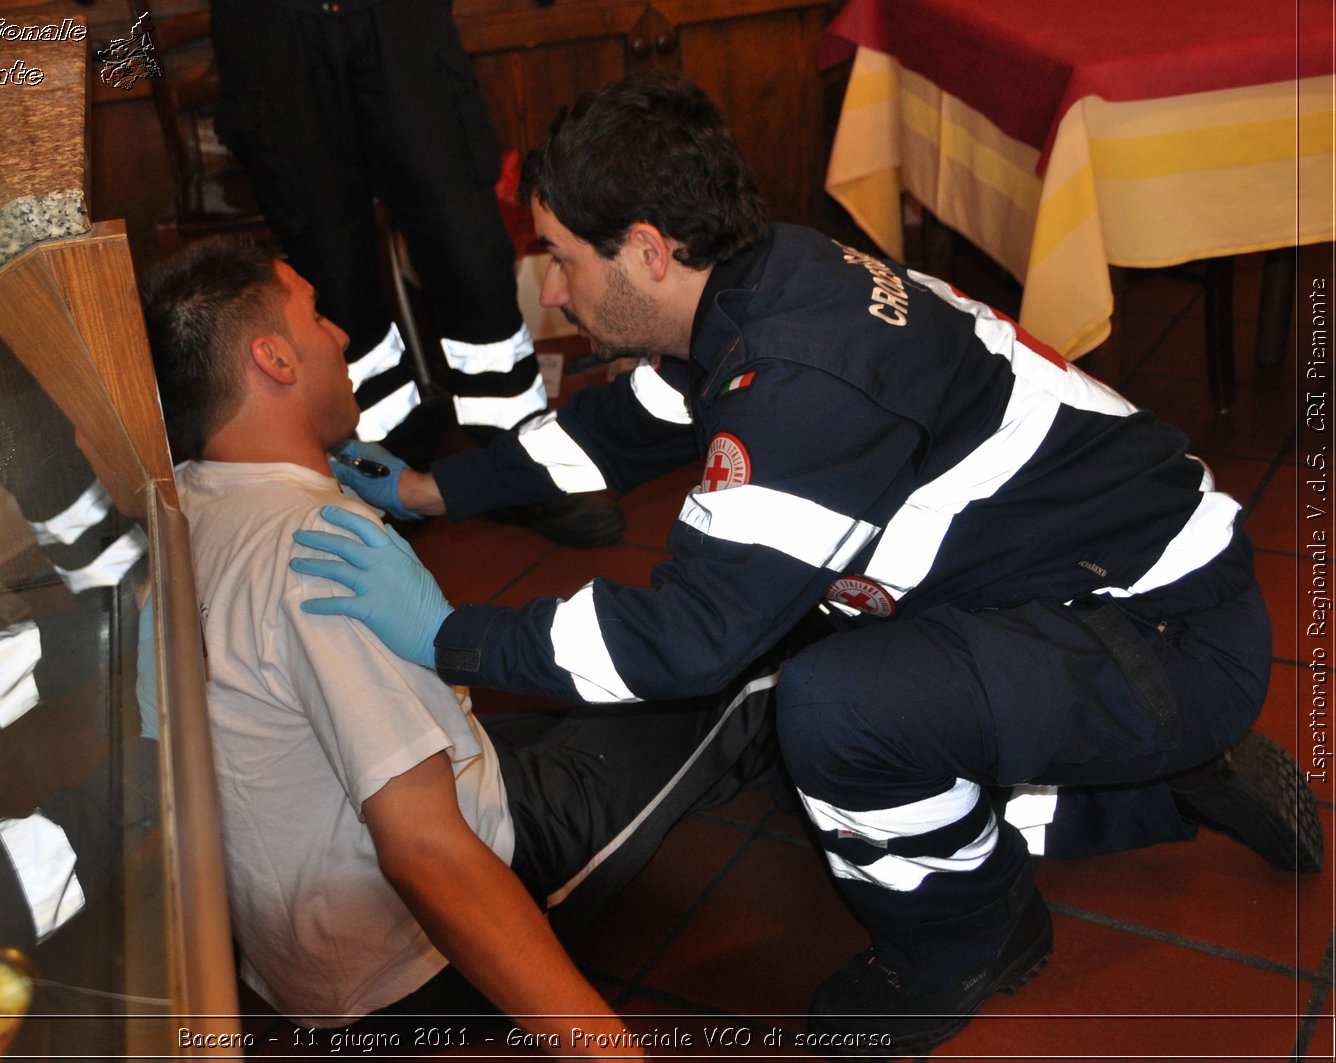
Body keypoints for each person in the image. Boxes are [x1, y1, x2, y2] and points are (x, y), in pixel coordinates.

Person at [291, 71, 1324, 1056]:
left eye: (561, 257)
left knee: (836, 713)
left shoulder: (799, 386)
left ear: (649, 248)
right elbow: (639, 417)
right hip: (1098, 586)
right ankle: (1166, 781)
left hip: (1161, 636)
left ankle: (970, 938)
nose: (553, 293)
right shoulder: (764, 275)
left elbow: (680, 640)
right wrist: (440, 491)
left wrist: (446, 635)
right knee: (831, 676)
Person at [137, 235, 777, 1048]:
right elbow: (425, 854)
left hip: (297, 953)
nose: (338, 335)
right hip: (409, 969)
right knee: (733, 667)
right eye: (317, 314)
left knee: (577, 709)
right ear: (274, 359)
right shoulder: (319, 550)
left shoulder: (183, 505)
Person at [208, 0, 623, 547]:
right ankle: (385, 467)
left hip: (398, 18)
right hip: (273, 27)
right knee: (330, 272)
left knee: (468, 245)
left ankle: (518, 461)